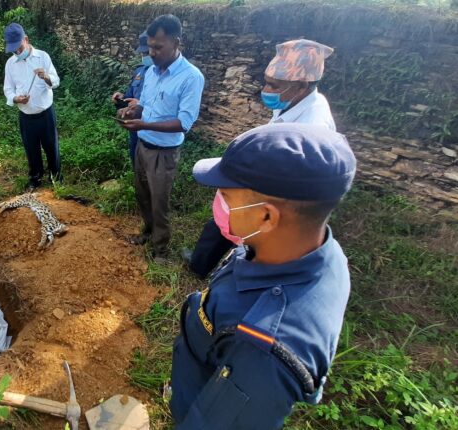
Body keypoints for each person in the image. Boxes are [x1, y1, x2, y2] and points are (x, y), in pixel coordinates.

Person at [169, 123, 356, 429]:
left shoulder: (263, 349)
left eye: (226, 195)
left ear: (266, 216)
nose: (219, 201)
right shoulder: (317, 251)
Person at [184, 39, 336, 278]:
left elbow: (294, 184)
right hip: (253, 191)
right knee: (218, 228)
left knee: (247, 242)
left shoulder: (313, 125)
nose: (266, 90)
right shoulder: (291, 101)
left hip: (270, 201)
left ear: (302, 85)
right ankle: (199, 266)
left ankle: (228, 277)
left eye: (274, 85)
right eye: (267, 83)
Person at [117, 14, 205, 263]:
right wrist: (133, 110)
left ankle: (161, 250)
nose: (152, 53)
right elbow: (146, 105)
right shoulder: (152, 72)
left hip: (163, 152)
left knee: (159, 202)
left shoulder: (191, 77)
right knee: (142, 194)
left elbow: (183, 123)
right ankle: (147, 232)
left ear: (176, 42)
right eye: (150, 47)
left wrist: (143, 123)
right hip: (142, 145)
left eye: (158, 47)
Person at [3, 23, 62, 190]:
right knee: (31, 149)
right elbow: (8, 88)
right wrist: (16, 98)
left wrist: (46, 77)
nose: (17, 52)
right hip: (26, 116)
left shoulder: (42, 57)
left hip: (46, 114)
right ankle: (35, 178)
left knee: (52, 147)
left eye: (19, 48)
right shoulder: (10, 64)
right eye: (14, 50)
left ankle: (56, 177)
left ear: (26, 39)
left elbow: (56, 81)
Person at [110, 31, 152, 161]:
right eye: (142, 53)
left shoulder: (163, 74)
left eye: (147, 53)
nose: (144, 56)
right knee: (135, 158)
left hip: (150, 128)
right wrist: (120, 98)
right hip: (134, 128)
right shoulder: (139, 70)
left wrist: (141, 104)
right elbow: (130, 95)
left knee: (149, 165)